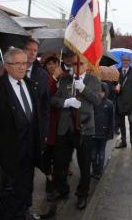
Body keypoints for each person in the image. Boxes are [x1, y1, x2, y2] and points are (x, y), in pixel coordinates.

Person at [0, 48, 44, 219]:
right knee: (5, 201)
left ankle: (23, 213)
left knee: (24, 195)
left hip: (28, 156)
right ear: (6, 66)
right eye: (17, 64)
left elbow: (36, 119)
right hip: (5, 157)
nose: (22, 67)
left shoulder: (30, 85)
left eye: (24, 63)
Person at [50, 55, 101, 209]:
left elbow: (97, 101)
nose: (76, 67)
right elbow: (53, 100)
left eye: (80, 64)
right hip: (65, 128)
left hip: (84, 128)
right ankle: (62, 189)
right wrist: (65, 102)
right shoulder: (65, 80)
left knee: (84, 164)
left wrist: (83, 89)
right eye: (73, 64)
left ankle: (82, 194)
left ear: (86, 65)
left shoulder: (93, 80)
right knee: (60, 162)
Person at [42, 56, 63, 194]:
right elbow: (45, 96)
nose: (52, 66)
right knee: (47, 154)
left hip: (60, 121)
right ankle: (49, 180)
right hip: (48, 122)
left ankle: (57, 183)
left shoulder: (64, 78)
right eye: (49, 64)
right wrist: (54, 79)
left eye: (54, 63)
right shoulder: (45, 78)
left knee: (59, 155)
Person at [23, 38, 50, 141]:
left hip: (35, 128)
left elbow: (45, 105)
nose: (32, 53)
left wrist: (44, 132)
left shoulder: (42, 75)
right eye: (28, 49)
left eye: (35, 50)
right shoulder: (11, 72)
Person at [115, 55, 132, 150]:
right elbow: (113, 84)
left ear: (130, 61)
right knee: (121, 123)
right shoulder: (116, 72)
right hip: (120, 101)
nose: (125, 62)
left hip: (131, 102)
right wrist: (115, 89)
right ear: (121, 61)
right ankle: (123, 141)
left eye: (127, 60)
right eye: (124, 60)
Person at [91, 82, 114, 179]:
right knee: (93, 154)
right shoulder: (93, 102)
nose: (100, 93)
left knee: (101, 154)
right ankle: (94, 170)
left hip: (103, 133)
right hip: (93, 132)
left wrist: (110, 133)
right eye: (98, 91)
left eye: (102, 92)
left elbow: (111, 120)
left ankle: (99, 171)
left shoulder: (109, 104)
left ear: (105, 92)